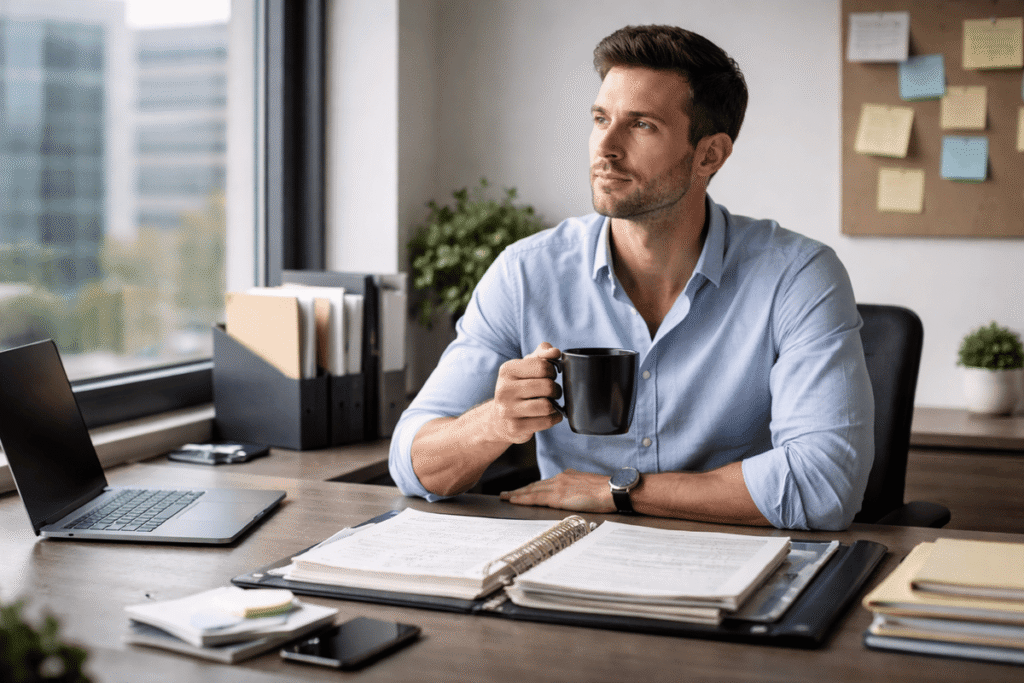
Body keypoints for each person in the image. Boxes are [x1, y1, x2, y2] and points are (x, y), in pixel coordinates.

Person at [388, 24, 874, 531]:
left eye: (641, 125)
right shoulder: (525, 272)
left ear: (709, 154)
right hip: (569, 562)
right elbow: (411, 464)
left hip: (735, 564)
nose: (606, 147)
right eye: (601, 118)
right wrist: (494, 422)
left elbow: (825, 486)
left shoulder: (798, 277)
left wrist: (616, 492)